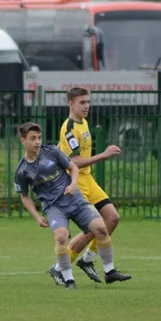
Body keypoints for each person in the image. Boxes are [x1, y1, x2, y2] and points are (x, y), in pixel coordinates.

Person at [15, 122, 131, 288]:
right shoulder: (22, 170)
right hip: (54, 207)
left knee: (101, 227)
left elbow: (73, 167)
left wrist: (73, 184)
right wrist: (37, 216)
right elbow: (24, 196)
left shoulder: (53, 152)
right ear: (23, 141)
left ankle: (109, 271)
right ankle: (69, 280)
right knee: (61, 237)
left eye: (39, 138)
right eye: (32, 138)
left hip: (75, 199)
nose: (37, 142)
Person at [58, 87, 125, 283]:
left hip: (89, 180)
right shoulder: (69, 128)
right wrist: (103, 155)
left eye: (88, 102)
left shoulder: (84, 122)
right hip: (76, 181)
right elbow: (75, 162)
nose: (87, 106)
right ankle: (59, 268)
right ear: (71, 104)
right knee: (92, 228)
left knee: (112, 218)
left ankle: (87, 259)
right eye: (82, 102)